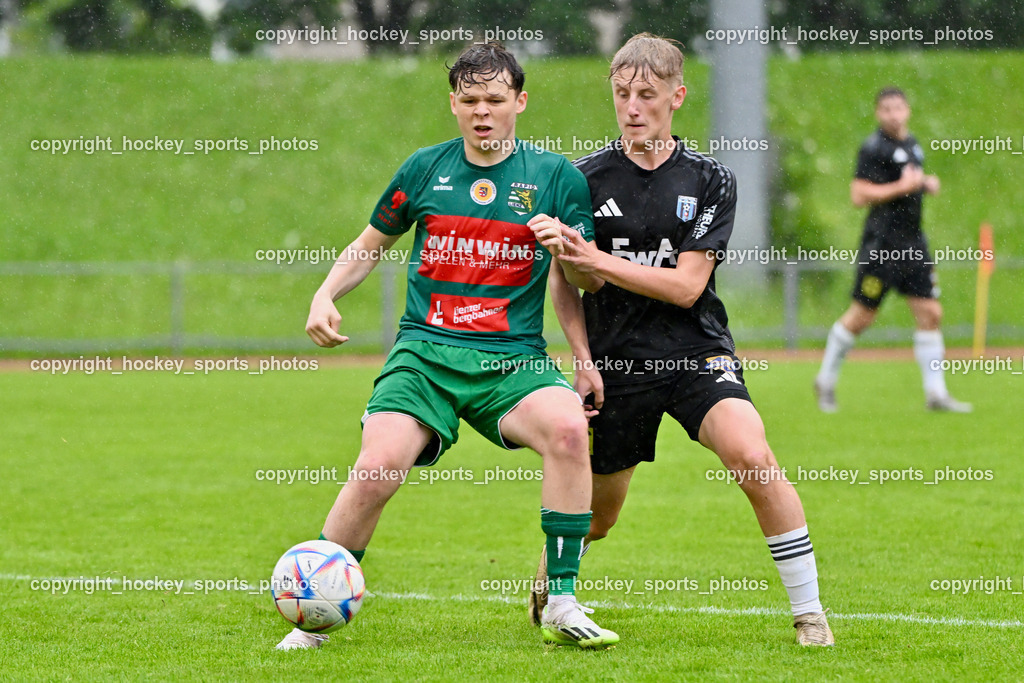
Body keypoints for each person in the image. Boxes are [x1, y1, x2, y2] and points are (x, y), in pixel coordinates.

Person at [278, 42, 617, 650]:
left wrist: (569, 253)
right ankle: (313, 614)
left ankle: (561, 599)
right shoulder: (424, 169)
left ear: (520, 101)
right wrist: (325, 293)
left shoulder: (557, 178)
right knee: (377, 468)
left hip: (511, 360)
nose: (482, 112)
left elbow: (583, 281)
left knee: (569, 430)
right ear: (453, 104)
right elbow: (370, 243)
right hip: (426, 354)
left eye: (494, 99)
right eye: (469, 101)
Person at [527, 33, 834, 646]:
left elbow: (688, 287)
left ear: (677, 96)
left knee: (752, 456)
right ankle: (548, 577)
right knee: (600, 518)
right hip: (615, 364)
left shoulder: (711, 178)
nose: (632, 106)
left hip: (695, 352)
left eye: (646, 94)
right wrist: (582, 360)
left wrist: (595, 259)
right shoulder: (580, 179)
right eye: (621, 94)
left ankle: (810, 615)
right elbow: (565, 283)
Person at [814, 86, 971, 413]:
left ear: (907, 110)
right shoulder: (873, 148)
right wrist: (902, 187)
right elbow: (858, 195)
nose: (893, 114)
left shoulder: (911, 144)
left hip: (914, 244)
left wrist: (926, 183)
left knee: (931, 313)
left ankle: (936, 394)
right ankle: (825, 380)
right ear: (878, 113)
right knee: (862, 316)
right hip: (882, 247)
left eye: (898, 107)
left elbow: (910, 179)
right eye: (886, 109)